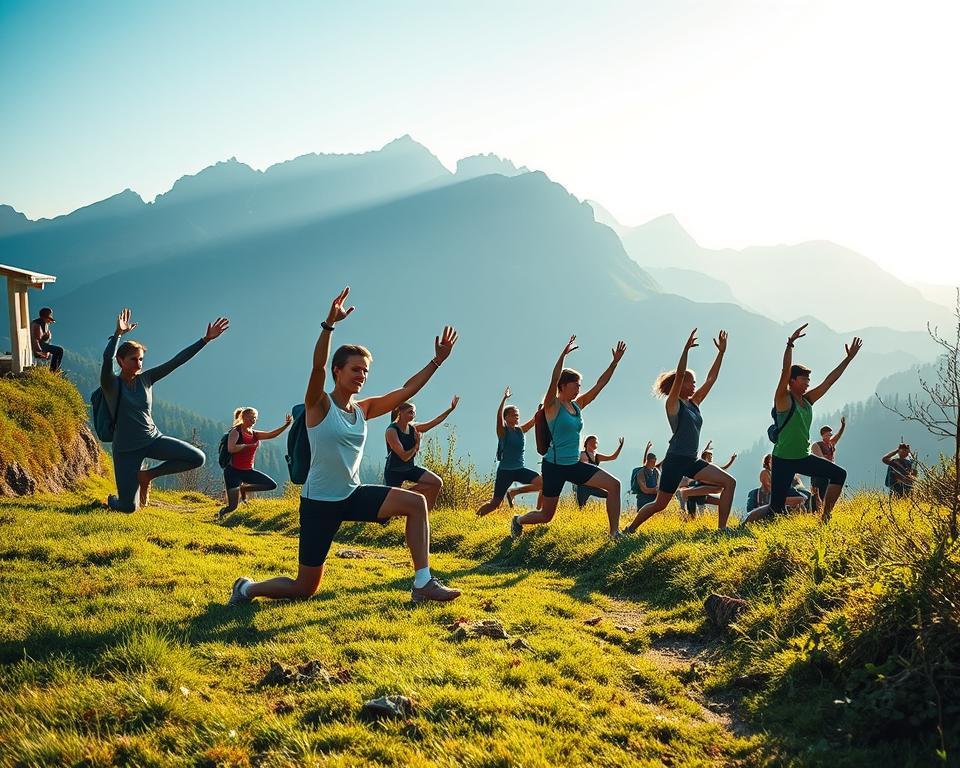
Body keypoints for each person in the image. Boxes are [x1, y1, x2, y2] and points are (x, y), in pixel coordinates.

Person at [230, 287, 461, 606]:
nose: (362, 376)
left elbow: (407, 389)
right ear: (338, 371)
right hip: (320, 503)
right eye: (355, 369)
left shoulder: (363, 410)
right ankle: (246, 589)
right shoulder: (319, 405)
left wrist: (436, 361)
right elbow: (316, 369)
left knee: (415, 504)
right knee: (304, 587)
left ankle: (423, 583)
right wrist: (328, 326)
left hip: (352, 495)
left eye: (365, 371)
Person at [101, 308, 228, 512]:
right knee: (128, 508)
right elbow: (107, 360)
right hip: (125, 450)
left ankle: (147, 476)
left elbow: (176, 361)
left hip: (152, 440)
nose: (139, 363)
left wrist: (205, 340)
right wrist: (117, 334)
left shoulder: (146, 379)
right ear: (121, 361)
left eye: (141, 359)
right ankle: (114, 500)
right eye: (134, 359)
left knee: (197, 458)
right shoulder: (111, 384)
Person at [511, 335, 626, 540]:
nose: (579, 388)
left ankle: (614, 534)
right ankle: (518, 520)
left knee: (614, 484)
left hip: (573, 465)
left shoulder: (576, 406)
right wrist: (563, 356)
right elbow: (553, 379)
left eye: (580, 385)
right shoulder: (552, 406)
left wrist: (614, 363)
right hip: (553, 467)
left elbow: (600, 385)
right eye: (576, 385)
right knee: (546, 516)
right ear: (564, 386)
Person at [743, 324, 861, 524]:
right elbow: (783, 372)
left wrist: (848, 359)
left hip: (803, 457)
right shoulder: (783, 399)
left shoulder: (807, 400)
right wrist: (790, 345)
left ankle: (825, 515)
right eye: (804, 379)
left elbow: (828, 382)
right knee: (775, 510)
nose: (808, 383)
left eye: (809, 380)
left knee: (839, 474)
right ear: (793, 380)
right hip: (782, 460)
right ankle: (745, 524)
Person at [626, 329, 736, 532]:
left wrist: (721, 353)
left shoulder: (694, 403)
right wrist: (685, 351)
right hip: (675, 460)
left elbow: (711, 379)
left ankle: (722, 529)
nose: (695, 385)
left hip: (692, 460)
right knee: (660, 504)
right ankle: (629, 529)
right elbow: (677, 380)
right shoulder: (674, 404)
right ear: (682, 383)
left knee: (729, 482)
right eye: (691, 381)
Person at [384, 396, 459, 511]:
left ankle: (426, 513)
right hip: (394, 471)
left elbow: (434, 422)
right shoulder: (391, 431)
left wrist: (450, 409)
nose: (413, 415)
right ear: (400, 412)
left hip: (409, 468)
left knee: (436, 483)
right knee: (390, 512)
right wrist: (416, 445)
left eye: (414, 413)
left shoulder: (413, 428)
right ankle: (399, 495)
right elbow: (404, 456)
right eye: (410, 412)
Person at [476, 387, 542, 517]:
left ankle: (514, 492)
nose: (516, 417)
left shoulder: (520, 431)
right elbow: (498, 417)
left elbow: (534, 421)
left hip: (519, 469)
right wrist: (504, 399)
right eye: (513, 414)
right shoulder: (502, 431)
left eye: (517, 415)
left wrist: (540, 412)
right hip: (505, 472)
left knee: (543, 484)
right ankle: (475, 518)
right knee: (495, 504)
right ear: (506, 417)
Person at [218, 408, 293, 520]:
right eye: (251, 417)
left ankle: (243, 489)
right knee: (232, 507)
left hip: (248, 471)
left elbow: (272, 435)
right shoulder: (236, 432)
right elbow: (231, 448)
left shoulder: (254, 434)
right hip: (233, 472)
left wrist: (286, 425)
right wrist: (244, 446)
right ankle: (221, 514)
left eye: (255, 418)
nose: (253, 420)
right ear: (243, 417)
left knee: (271, 485)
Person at [679, 441, 737, 516]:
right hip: (699, 491)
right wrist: (706, 447)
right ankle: (688, 511)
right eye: (710, 456)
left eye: (711, 456)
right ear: (706, 456)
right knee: (694, 511)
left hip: (703, 493)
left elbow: (723, 468)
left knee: (703, 507)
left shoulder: (712, 468)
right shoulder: (702, 466)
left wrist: (732, 460)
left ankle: (691, 514)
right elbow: (701, 456)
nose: (712, 457)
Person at [575, 435, 624, 508]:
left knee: (609, 495)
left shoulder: (597, 456)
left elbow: (612, 457)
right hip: (583, 486)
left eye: (595, 442)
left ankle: (610, 512)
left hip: (595, 485)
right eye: (592, 442)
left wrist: (620, 446)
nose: (594, 443)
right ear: (587, 443)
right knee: (581, 507)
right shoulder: (582, 454)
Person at [810, 416, 846, 509]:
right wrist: (832, 465)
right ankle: (815, 511)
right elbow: (820, 458)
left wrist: (842, 426)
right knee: (817, 494)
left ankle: (826, 510)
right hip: (819, 473)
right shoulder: (816, 445)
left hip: (828, 472)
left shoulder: (831, 444)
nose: (829, 437)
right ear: (822, 435)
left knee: (828, 492)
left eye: (830, 435)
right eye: (827, 435)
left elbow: (838, 436)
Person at [31, 307, 64, 373]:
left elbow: (42, 339)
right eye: (49, 318)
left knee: (57, 351)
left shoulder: (40, 323)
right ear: (45, 317)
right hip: (38, 347)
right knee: (59, 350)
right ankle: (53, 372)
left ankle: (53, 370)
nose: (50, 321)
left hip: (41, 345)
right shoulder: (38, 325)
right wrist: (40, 352)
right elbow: (36, 340)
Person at [630, 441, 661, 509]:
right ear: (649, 461)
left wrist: (647, 449)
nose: (654, 463)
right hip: (643, 502)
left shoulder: (655, 471)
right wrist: (658, 490)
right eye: (653, 461)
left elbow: (644, 461)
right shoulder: (641, 473)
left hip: (654, 501)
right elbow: (645, 490)